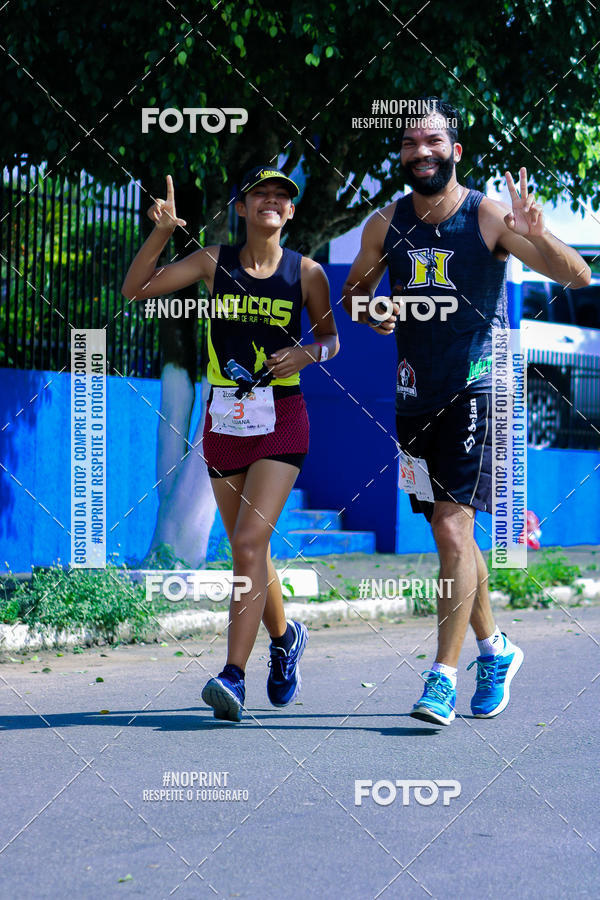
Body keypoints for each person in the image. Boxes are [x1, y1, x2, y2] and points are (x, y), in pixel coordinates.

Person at [342, 99, 591, 726]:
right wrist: (375, 312)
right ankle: (494, 648)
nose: (420, 152)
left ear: (455, 150)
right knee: (449, 532)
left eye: (432, 142)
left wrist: (537, 234)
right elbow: (353, 299)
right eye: (409, 144)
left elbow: (579, 275)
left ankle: (441, 679)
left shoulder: (486, 215)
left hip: (478, 391)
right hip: (410, 400)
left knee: (454, 528)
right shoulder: (384, 224)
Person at [122, 166, 339, 722]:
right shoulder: (213, 262)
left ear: (290, 213)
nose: (271, 201)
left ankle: (233, 676)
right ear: (241, 208)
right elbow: (135, 289)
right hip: (224, 421)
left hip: (282, 419)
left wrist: (305, 354)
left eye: (281, 196)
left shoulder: (308, 273)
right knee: (252, 548)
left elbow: (332, 339)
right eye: (260, 194)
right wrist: (162, 233)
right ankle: (287, 637)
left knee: (246, 543)